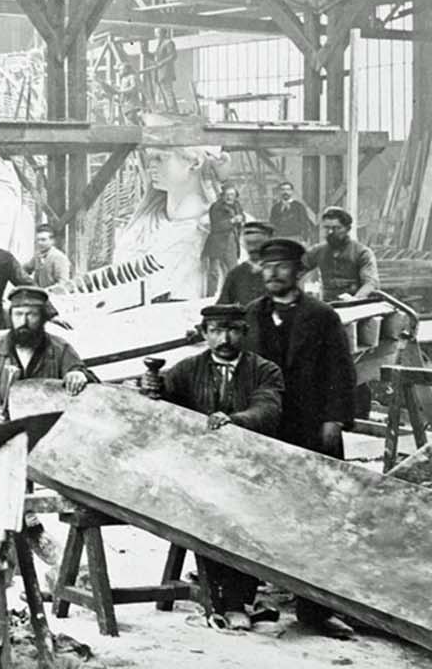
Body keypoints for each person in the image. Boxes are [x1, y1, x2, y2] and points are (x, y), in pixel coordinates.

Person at [143, 303, 285, 630]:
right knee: (205, 510)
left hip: (248, 468)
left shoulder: (265, 370)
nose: (225, 338)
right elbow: (163, 409)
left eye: (233, 329)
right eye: (217, 330)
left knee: (245, 517)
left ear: (244, 333)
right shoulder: (185, 369)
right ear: (205, 333)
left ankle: (236, 600)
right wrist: (153, 391)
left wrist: (234, 420)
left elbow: (268, 409)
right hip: (197, 469)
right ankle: (222, 599)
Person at [244, 237, 358, 638]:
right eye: (266, 265)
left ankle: (316, 611)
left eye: (282, 266)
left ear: (299, 271)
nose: (272, 272)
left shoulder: (322, 316)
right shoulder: (249, 316)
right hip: (265, 429)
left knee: (317, 516)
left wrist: (335, 419)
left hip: (312, 428)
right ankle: (244, 600)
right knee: (252, 507)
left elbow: (341, 371)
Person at [0, 287, 90, 429]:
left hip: (49, 429)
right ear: (11, 317)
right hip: (6, 430)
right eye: (18, 314)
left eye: (31, 315)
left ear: (42, 318)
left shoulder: (60, 348)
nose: (23, 322)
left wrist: (78, 375)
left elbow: (87, 384)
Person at [113, 140, 225, 300]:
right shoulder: (138, 228)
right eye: (148, 158)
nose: (150, 165)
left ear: (195, 162)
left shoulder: (219, 229)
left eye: (160, 158)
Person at [304, 207, 378, 302]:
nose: (330, 232)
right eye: (327, 228)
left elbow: (371, 283)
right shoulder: (318, 251)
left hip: (356, 304)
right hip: (328, 305)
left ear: (348, 229)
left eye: (336, 228)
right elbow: (297, 269)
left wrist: (355, 299)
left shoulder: (362, 252)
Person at [217, 219, 272, 307]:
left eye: (257, 243)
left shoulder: (280, 271)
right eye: (249, 243)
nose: (253, 248)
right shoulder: (236, 274)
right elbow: (220, 309)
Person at [203, 184, 245, 291]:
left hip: (232, 242)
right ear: (222, 195)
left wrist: (241, 220)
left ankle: (234, 296)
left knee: (234, 272)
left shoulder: (237, 206)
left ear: (235, 196)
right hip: (217, 243)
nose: (229, 197)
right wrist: (232, 221)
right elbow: (216, 226)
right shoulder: (216, 207)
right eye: (227, 194)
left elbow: (242, 217)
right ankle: (209, 298)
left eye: (232, 194)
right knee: (214, 272)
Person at [24, 224, 72, 288]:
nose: (40, 243)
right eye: (38, 240)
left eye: (43, 240)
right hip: (40, 294)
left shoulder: (59, 257)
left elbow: (63, 283)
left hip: (55, 296)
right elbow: (25, 269)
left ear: (52, 241)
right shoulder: (38, 255)